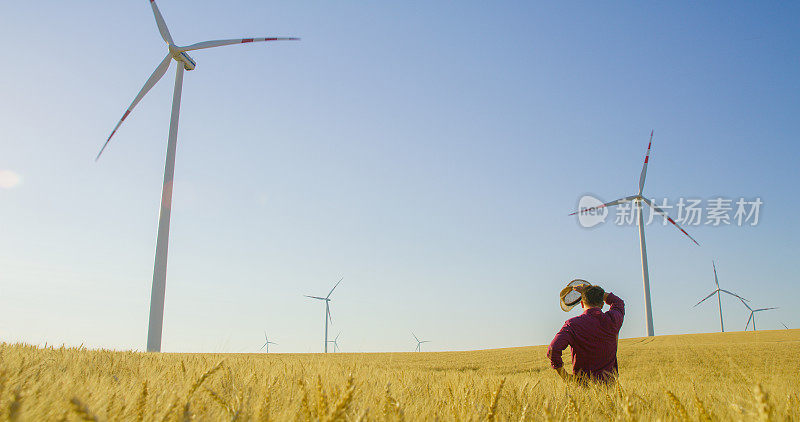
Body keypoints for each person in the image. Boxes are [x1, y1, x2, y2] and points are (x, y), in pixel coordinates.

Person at [547, 284, 625, 383]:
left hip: (582, 388)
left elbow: (553, 350)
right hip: (610, 388)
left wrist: (565, 376)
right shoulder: (613, 320)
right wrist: (590, 289)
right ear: (602, 305)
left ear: (582, 304)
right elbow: (618, 302)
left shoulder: (572, 325)